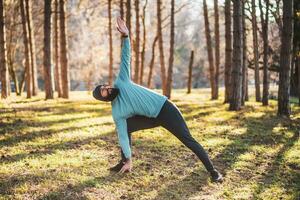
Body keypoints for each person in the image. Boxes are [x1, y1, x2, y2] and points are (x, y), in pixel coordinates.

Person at [93, 17, 223, 182]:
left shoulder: (122, 80)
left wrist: (125, 36)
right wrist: (130, 157)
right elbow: (123, 138)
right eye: (104, 92)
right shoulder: (117, 112)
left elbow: (125, 57)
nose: (108, 89)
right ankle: (125, 162)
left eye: (105, 87)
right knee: (124, 129)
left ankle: (214, 172)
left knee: (188, 139)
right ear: (105, 99)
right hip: (151, 118)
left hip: (165, 109)